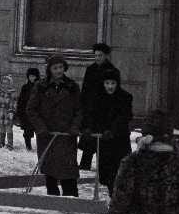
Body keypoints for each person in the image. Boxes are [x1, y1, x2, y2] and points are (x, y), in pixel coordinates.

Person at [26, 55, 82, 196]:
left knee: (68, 172)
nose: (58, 71)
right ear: (49, 69)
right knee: (50, 172)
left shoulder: (72, 86)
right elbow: (31, 109)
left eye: (61, 67)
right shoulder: (41, 86)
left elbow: (79, 110)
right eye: (55, 68)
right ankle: (53, 201)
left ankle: (72, 202)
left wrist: (74, 127)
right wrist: (41, 127)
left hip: (66, 136)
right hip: (47, 135)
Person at [82, 69, 132, 197]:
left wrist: (113, 130)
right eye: (107, 83)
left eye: (113, 83)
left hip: (119, 140)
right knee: (104, 173)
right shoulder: (96, 97)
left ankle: (116, 197)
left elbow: (125, 116)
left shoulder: (125, 97)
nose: (110, 86)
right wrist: (87, 127)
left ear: (117, 83)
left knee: (118, 171)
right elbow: (90, 115)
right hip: (103, 140)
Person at [79, 43, 119, 171]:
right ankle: (85, 163)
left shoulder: (112, 70)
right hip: (90, 109)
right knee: (89, 135)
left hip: (104, 108)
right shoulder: (90, 69)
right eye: (95, 55)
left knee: (102, 138)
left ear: (106, 56)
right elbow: (84, 89)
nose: (97, 58)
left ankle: (103, 165)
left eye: (100, 55)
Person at [0, 75, 18, 149]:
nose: (4, 85)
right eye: (3, 83)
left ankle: (10, 144)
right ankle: (1, 142)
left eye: (6, 84)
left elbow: (13, 103)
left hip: (7, 113)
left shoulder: (12, 94)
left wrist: (11, 111)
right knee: (1, 127)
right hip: (0, 112)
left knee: (8, 127)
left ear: (10, 84)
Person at [16, 67, 39, 151]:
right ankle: (28, 145)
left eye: (34, 76)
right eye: (30, 76)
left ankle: (40, 144)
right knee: (27, 130)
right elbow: (21, 100)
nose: (32, 78)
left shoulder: (40, 87)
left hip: (37, 112)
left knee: (38, 130)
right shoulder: (25, 87)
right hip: (26, 112)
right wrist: (20, 112)